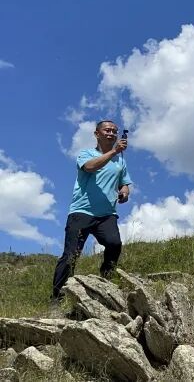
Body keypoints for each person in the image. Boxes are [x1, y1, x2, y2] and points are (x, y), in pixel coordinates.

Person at [52, 120, 132, 301]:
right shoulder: (86, 154)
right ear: (97, 134)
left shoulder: (120, 160)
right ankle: (58, 298)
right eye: (107, 130)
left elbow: (124, 182)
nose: (111, 133)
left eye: (114, 131)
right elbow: (89, 167)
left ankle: (106, 282)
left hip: (107, 214)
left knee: (114, 244)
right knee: (71, 255)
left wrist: (125, 191)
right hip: (82, 211)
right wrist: (114, 152)